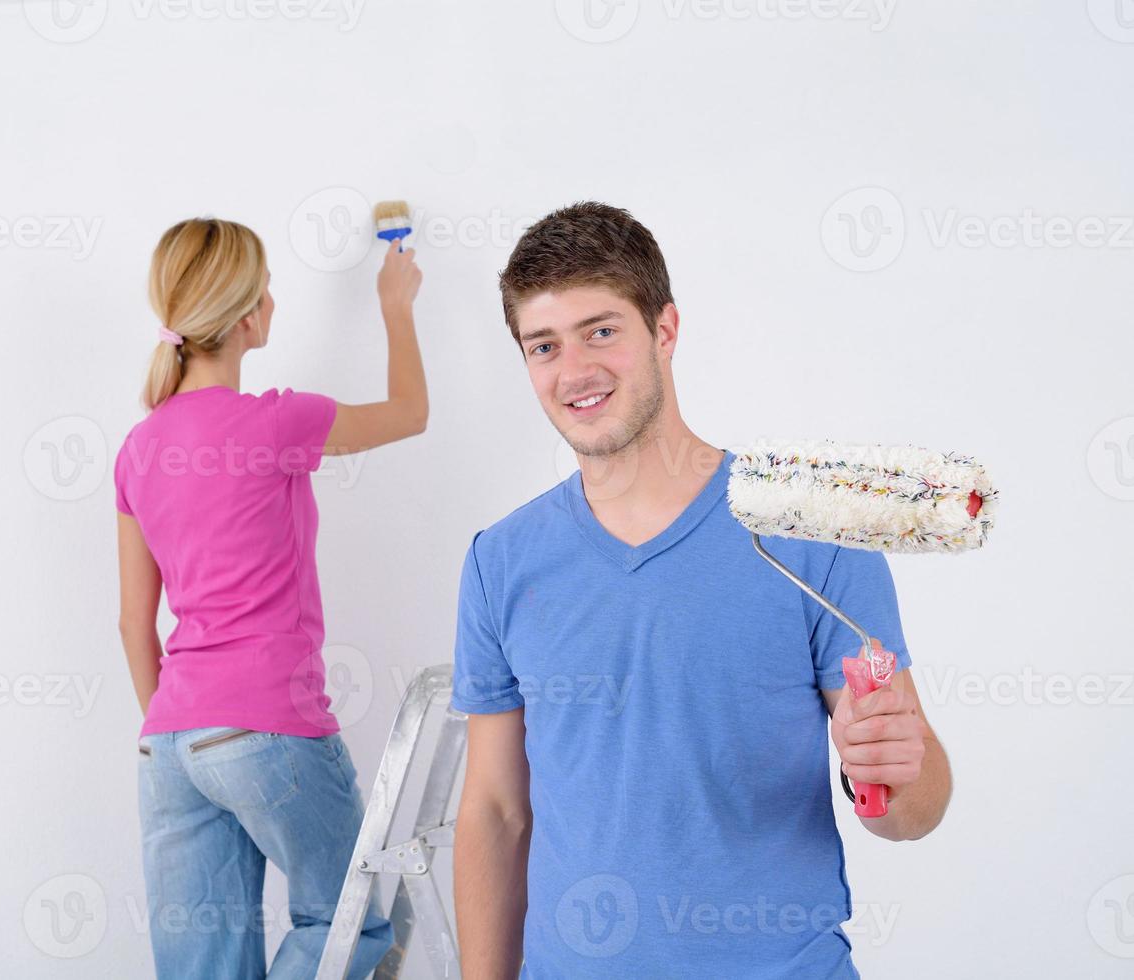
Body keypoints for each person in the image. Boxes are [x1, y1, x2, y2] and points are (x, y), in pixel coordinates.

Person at [450, 201, 951, 978]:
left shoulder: (807, 532)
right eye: (543, 345)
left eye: (601, 330)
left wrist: (889, 769)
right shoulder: (500, 561)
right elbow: (494, 810)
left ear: (665, 330)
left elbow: (913, 813)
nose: (574, 370)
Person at [115, 217, 425, 978]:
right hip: (267, 725)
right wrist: (394, 306)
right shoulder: (276, 421)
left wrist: (185, 725)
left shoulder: (137, 447)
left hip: (168, 744)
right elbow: (410, 414)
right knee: (349, 925)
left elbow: (133, 622)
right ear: (249, 313)